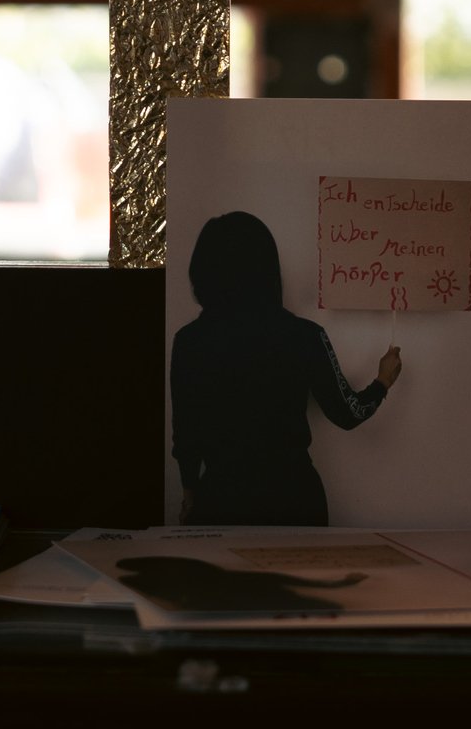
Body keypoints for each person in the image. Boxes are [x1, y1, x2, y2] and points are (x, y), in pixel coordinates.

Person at [169, 211, 403, 523]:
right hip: (295, 500)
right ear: (268, 270)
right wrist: (383, 381)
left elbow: (186, 434)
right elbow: (348, 413)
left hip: (222, 501)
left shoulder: (188, 341)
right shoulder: (305, 335)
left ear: (203, 272)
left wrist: (189, 491)